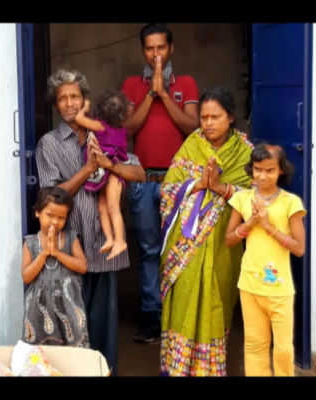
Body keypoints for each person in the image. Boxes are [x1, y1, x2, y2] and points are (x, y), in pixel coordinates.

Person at [35, 68, 146, 375]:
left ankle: (104, 371)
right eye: (62, 99)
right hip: (71, 245)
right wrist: (89, 168)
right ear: (55, 105)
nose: (69, 103)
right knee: (72, 319)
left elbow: (139, 172)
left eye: (75, 96)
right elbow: (51, 195)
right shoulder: (49, 144)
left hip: (103, 242)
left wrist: (110, 164)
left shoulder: (106, 130)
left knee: (105, 322)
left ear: (85, 100)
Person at [159, 86, 254, 376]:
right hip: (186, 248)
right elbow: (167, 192)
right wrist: (197, 185)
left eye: (215, 116)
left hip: (225, 247)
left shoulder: (245, 153)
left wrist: (222, 188)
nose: (208, 123)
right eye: (204, 117)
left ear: (231, 117)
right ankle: (177, 369)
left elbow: (256, 200)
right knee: (184, 301)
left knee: (217, 304)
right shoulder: (191, 145)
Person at [121, 23, 200, 343]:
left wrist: (164, 94)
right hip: (143, 181)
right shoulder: (131, 84)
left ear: (171, 49)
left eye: (161, 48)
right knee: (150, 250)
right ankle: (152, 313)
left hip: (178, 182)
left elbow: (192, 127)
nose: (156, 54)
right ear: (143, 50)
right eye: (150, 48)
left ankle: (177, 314)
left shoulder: (187, 84)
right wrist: (151, 92)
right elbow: (128, 128)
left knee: (179, 249)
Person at [225, 143, 306, 377]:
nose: (262, 175)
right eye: (258, 169)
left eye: (270, 170)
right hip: (250, 286)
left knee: (282, 350)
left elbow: (299, 249)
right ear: (252, 169)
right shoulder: (242, 199)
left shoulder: (291, 203)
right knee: (254, 347)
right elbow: (229, 240)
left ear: (281, 170)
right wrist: (249, 224)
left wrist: (269, 228)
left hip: (279, 290)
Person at [21, 187, 89, 348]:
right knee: (40, 352)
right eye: (50, 215)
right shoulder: (30, 243)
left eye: (61, 217)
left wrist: (57, 253)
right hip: (39, 309)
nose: (55, 222)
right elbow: (26, 276)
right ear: (38, 212)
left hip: (69, 306)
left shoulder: (71, 238)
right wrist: (45, 253)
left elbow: (82, 267)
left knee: (73, 350)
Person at [75, 90, 131, 261]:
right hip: (105, 174)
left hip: (112, 174)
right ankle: (110, 239)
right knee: (103, 207)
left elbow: (79, 119)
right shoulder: (123, 131)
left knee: (111, 207)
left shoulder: (100, 126)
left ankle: (119, 241)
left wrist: (85, 107)